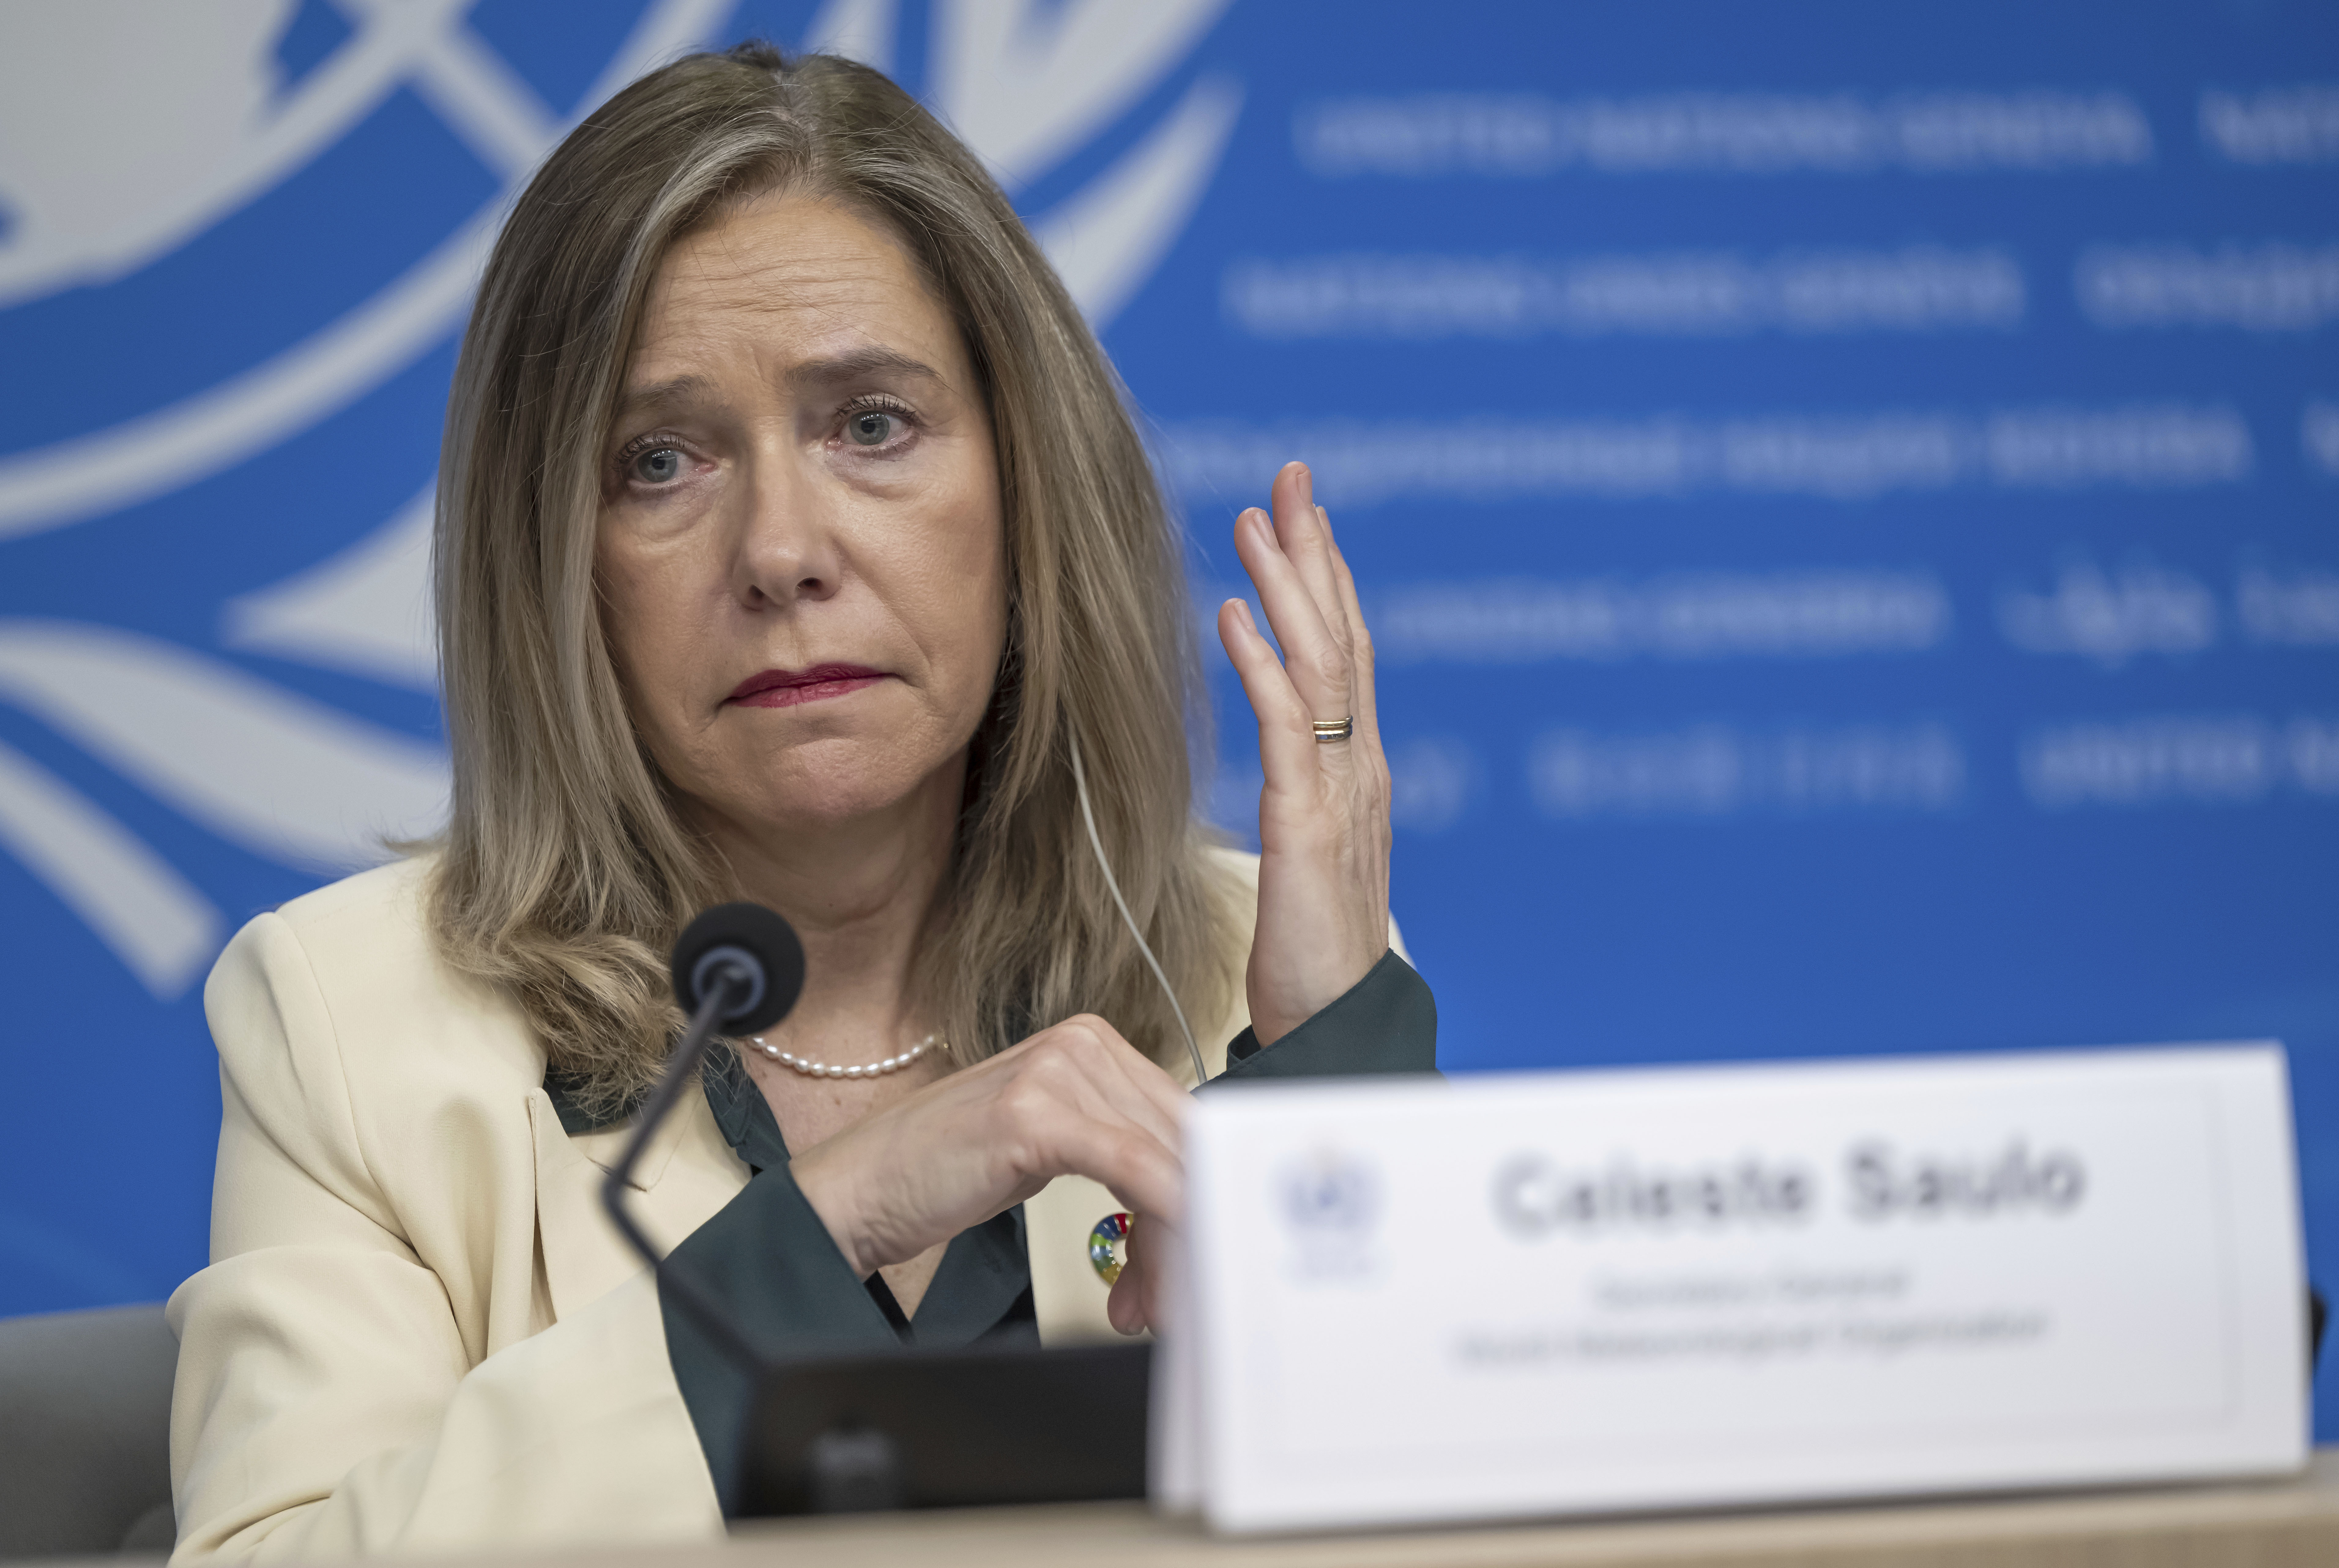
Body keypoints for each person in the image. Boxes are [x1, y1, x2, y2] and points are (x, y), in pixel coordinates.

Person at [165, 43, 1435, 1561]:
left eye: (871, 425)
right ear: (556, 561)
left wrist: (1325, 1085)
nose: (781, 548)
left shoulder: (1255, 962)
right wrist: (844, 1211)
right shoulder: (352, 1024)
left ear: (1028, 491)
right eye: (659, 461)